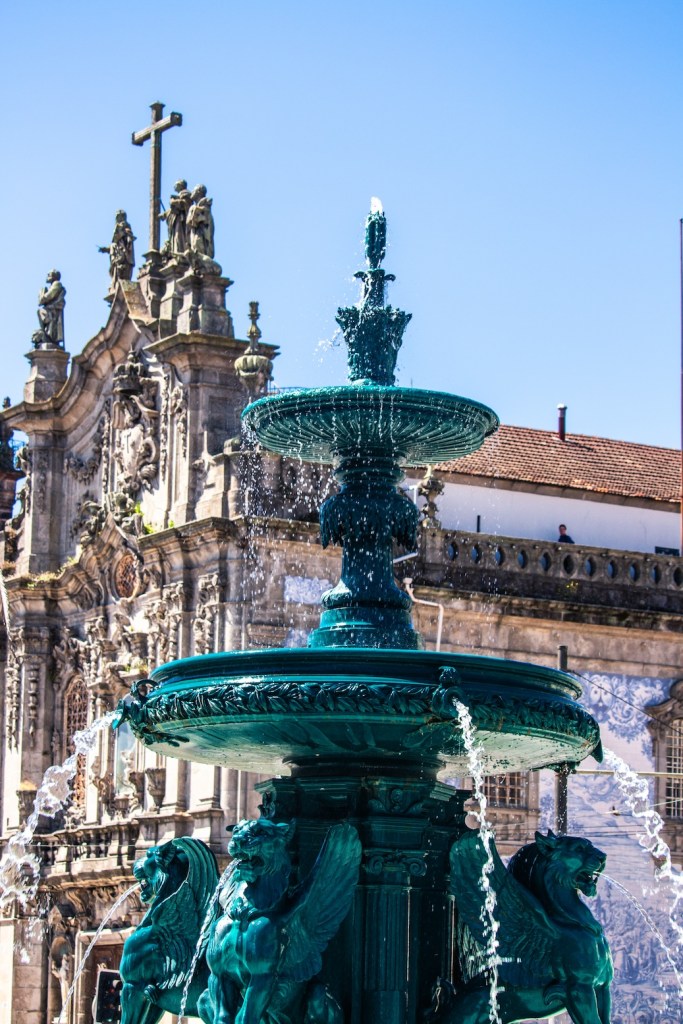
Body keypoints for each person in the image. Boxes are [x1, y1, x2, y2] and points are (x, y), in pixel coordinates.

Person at [99, 210, 135, 285]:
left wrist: (127, 237)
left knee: (123, 278)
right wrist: (106, 249)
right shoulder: (115, 243)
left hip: (124, 258)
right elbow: (115, 244)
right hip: (117, 260)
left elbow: (128, 241)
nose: (116, 220)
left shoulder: (126, 229)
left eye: (117, 217)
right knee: (116, 279)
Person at [160, 179, 192, 255]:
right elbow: (172, 210)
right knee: (175, 237)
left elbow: (184, 205)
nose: (174, 186)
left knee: (179, 237)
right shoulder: (179, 196)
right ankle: (176, 252)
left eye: (176, 184)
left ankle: (180, 253)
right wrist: (164, 214)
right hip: (176, 220)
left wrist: (173, 202)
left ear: (181, 185)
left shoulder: (186, 194)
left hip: (182, 221)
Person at [36, 269, 66, 347]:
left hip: (53, 309)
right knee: (41, 312)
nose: (47, 276)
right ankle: (47, 334)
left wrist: (42, 296)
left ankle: (49, 336)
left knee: (41, 312)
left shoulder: (56, 284)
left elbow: (49, 295)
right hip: (51, 309)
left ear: (54, 276)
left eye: (49, 275)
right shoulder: (52, 285)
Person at [187, 183, 215, 258]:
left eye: (194, 191)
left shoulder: (205, 203)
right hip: (196, 232)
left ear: (199, 191)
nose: (192, 192)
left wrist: (195, 211)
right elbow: (189, 222)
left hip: (201, 233)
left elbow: (203, 217)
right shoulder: (194, 207)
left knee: (199, 246)